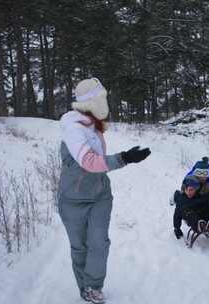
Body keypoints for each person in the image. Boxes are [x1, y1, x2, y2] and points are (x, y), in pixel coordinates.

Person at [58, 77, 151, 303]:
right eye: (102, 98)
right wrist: (124, 158)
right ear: (91, 101)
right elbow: (89, 161)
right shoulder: (73, 128)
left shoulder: (94, 126)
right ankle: (84, 288)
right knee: (80, 247)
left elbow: (98, 163)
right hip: (73, 200)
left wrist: (123, 158)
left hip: (100, 196)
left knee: (99, 243)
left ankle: (93, 286)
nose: (105, 102)